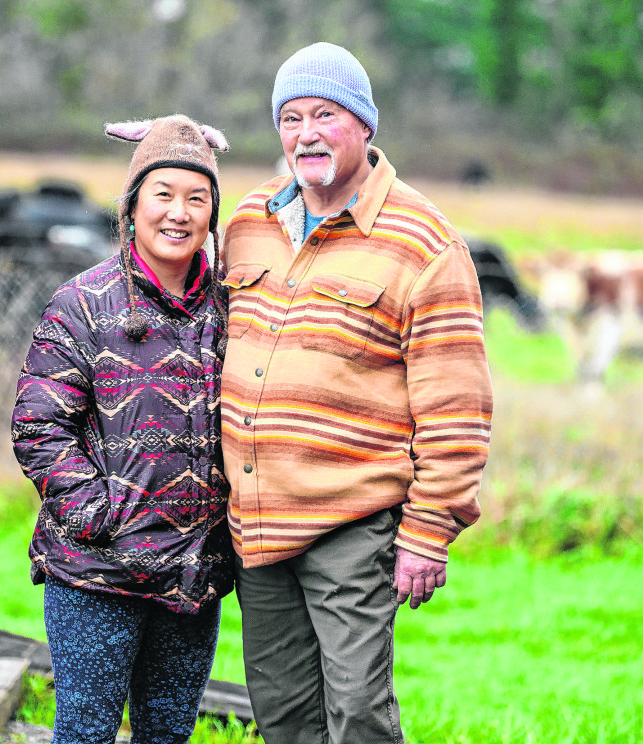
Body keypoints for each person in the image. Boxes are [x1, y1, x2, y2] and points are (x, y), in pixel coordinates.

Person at [220, 43, 493, 744]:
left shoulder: (424, 243)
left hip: (353, 522)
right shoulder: (249, 224)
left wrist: (430, 531)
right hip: (255, 522)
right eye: (290, 118)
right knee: (281, 716)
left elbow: (457, 410)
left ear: (365, 125)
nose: (305, 133)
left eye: (325, 115)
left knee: (359, 716)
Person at [11, 114, 233, 744]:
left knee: (168, 735)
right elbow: (38, 426)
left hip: (194, 575)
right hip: (97, 574)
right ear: (132, 207)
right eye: (162, 194)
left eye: (197, 198)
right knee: (86, 732)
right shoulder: (83, 304)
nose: (179, 212)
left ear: (212, 215)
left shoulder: (228, 311)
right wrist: (98, 516)